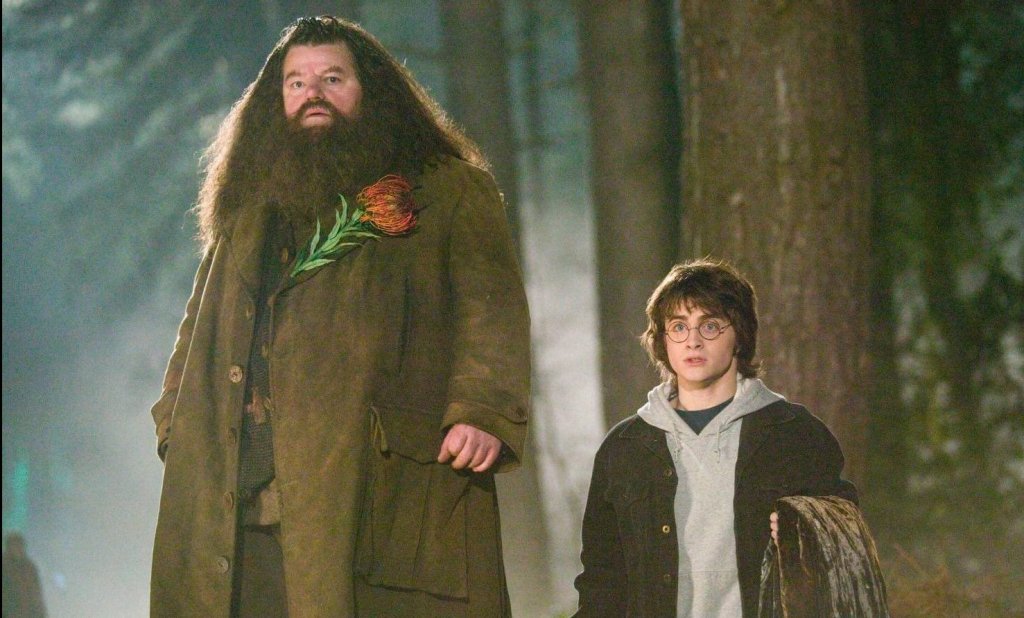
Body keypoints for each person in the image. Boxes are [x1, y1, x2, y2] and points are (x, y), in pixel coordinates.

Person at [148, 16, 530, 617]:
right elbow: (199, 325)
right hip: (237, 512)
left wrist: (484, 409)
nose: (313, 95)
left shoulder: (448, 190)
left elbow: (492, 308)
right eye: (296, 83)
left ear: (370, 88)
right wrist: (175, 418)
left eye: (332, 78)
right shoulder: (249, 208)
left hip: (374, 490)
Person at [573, 258, 856, 617]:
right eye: (678, 327)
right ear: (662, 340)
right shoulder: (625, 448)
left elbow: (845, 542)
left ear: (739, 335)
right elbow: (602, 580)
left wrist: (805, 528)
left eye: (710, 326)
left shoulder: (793, 434)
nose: (692, 341)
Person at [2, 532, 47, 618]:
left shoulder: (29, 567)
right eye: (14, 546)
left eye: (19, 545)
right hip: (10, 611)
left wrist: (40, 612)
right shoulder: (5, 567)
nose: (17, 549)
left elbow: (36, 592)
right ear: (8, 547)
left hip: (28, 612)